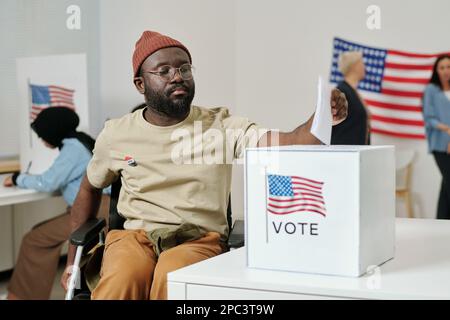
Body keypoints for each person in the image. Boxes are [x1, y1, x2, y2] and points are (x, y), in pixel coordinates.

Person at [60, 30, 348, 300]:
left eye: (184, 68)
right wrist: (74, 261)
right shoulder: (116, 133)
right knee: (125, 277)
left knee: (171, 277)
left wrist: (323, 116)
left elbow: (296, 140)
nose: (177, 76)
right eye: (164, 71)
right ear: (140, 84)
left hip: (197, 238)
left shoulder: (221, 126)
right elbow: (89, 188)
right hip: (134, 238)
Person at [2, 107, 110, 300]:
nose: (41, 140)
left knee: (34, 239)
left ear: (52, 131)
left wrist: (18, 178)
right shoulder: (81, 141)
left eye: (42, 135)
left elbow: (48, 182)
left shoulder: (72, 148)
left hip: (96, 210)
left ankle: (22, 297)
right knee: (38, 232)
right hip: (96, 207)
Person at [423, 54, 450, 220]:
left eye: (449, 67)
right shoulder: (431, 90)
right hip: (439, 143)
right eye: (442, 67)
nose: (446, 71)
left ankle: (441, 221)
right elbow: (429, 118)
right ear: (436, 71)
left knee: (446, 183)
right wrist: (448, 131)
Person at [331, 51, 370, 145]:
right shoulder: (342, 92)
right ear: (355, 66)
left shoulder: (353, 92)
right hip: (345, 154)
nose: (365, 68)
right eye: (362, 64)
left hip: (357, 152)